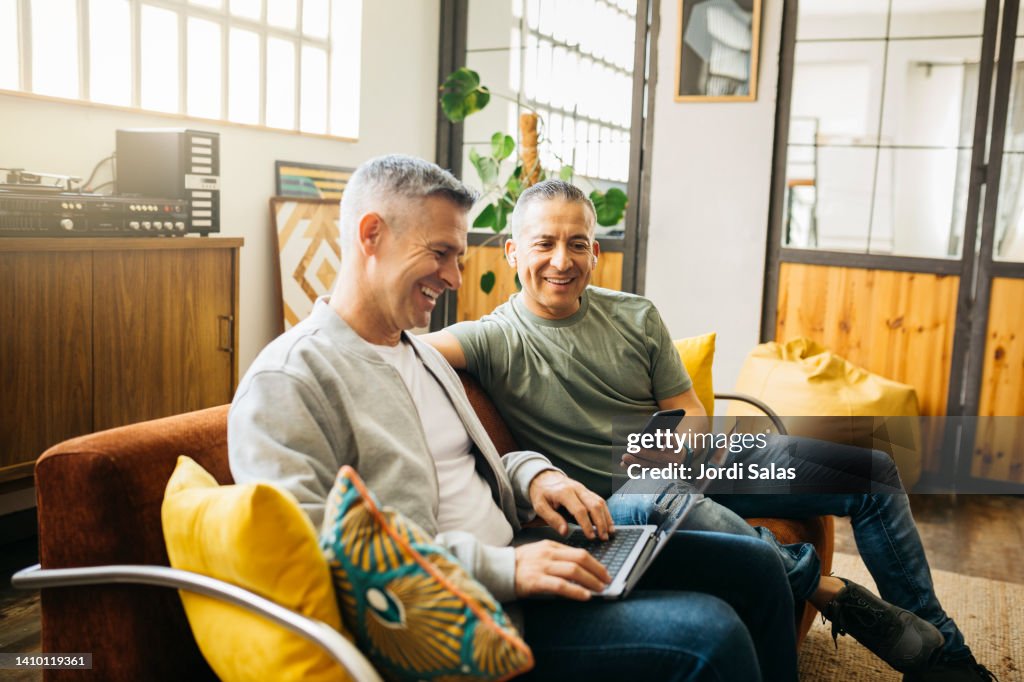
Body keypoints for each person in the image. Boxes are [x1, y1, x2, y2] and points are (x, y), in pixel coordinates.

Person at [228, 155, 800, 681]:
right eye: (441, 253)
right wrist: (508, 569)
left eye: (457, 256)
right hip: (479, 608)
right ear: (371, 234)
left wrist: (535, 475)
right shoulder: (289, 382)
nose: (454, 278)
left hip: (533, 542)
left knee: (757, 567)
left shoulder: (420, 354)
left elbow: (476, 462)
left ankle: (805, 572)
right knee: (711, 634)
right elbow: (323, 553)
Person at [424, 179, 996, 682]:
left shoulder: (635, 314)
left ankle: (944, 655)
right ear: (512, 250)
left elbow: (687, 405)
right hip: (624, 500)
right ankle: (827, 591)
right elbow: (402, 348)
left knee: (872, 470)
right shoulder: (491, 338)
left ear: (596, 252)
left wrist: (676, 446)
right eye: (543, 243)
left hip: (696, 460)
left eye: (577, 243)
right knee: (654, 494)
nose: (561, 260)